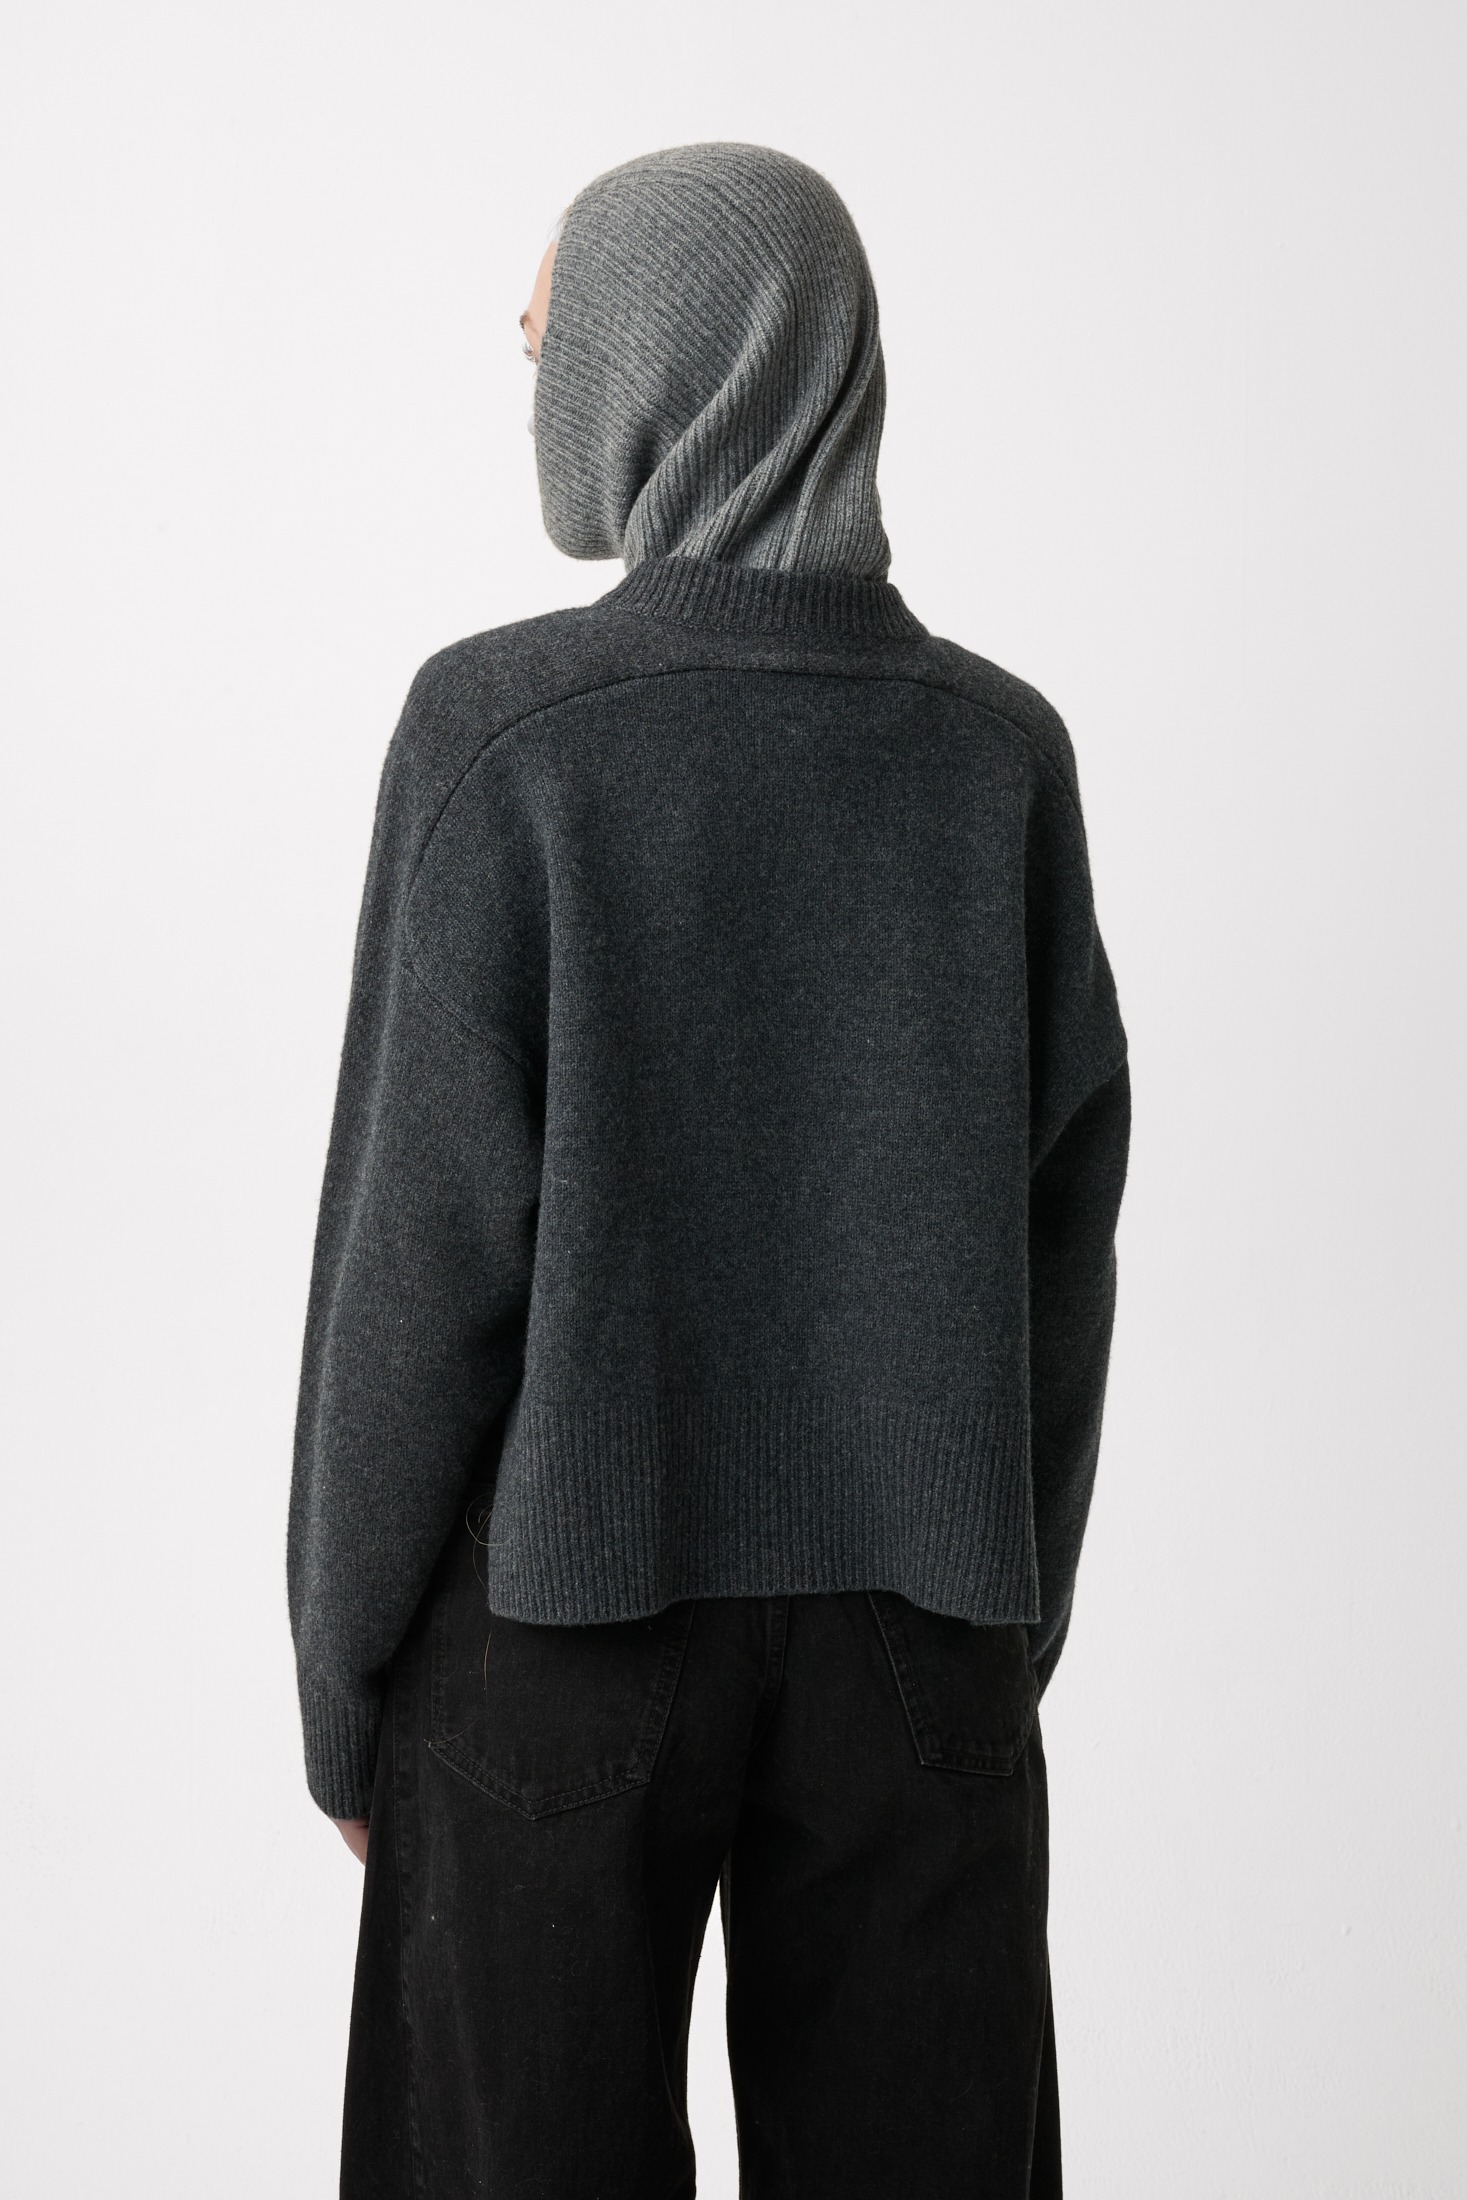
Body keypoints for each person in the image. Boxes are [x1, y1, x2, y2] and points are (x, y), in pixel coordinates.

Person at [286, 139, 1130, 2200]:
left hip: (553, 1617)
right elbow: (1063, 1231)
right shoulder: (994, 753)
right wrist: (996, 1611)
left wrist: (343, 1673)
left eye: (552, 327)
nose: (526, 359)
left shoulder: (506, 735)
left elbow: (413, 1256)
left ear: (670, 365)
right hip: (920, 1625)